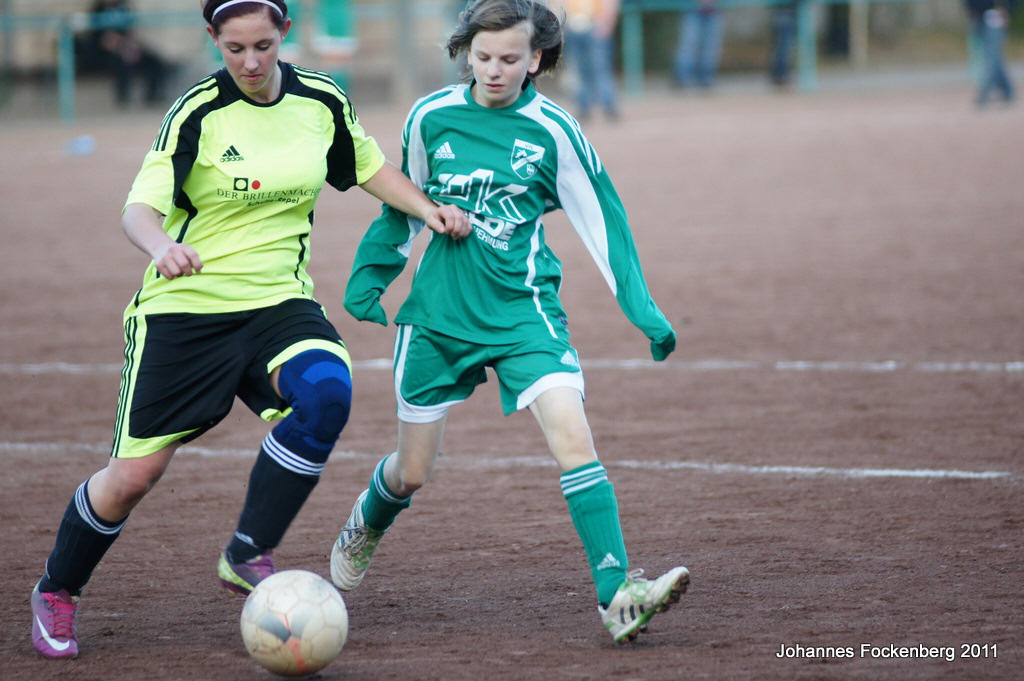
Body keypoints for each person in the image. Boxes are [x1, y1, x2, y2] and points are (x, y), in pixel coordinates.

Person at [29, 0, 469, 660]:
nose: (252, 62)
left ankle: (247, 550)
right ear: (213, 39)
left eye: (263, 45)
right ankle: (58, 588)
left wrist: (428, 210)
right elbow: (139, 209)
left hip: (277, 302)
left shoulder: (320, 101)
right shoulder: (197, 112)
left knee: (327, 392)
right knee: (132, 478)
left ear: (284, 32)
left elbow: (368, 167)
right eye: (234, 48)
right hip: (184, 311)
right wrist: (160, 246)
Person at [330, 0, 688, 644]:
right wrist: (372, 277)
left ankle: (617, 594)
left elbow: (604, 218)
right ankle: (371, 518)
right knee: (412, 472)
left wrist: (644, 312)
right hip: (438, 318)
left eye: (510, 59)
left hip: (525, 313)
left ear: (537, 59)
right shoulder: (430, 116)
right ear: (467, 52)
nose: (494, 70)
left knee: (573, 437)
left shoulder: (555, 131)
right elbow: (404, 203)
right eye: (483, 57)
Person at [81, 0, 172, 106]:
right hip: (105, 53)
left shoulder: (123, 7)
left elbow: (132, 31)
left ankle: (152, 96)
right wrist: (122, 47)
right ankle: (123, 99)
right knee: (121, 62)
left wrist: (131, 47)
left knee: (154, 61)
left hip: (126, 48)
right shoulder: (98, 9)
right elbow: (104, 41)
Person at [558, 0, 620, 121]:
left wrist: (606, 23)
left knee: (600, 68)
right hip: (573, 28)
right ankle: (583, 107)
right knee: (579, 70)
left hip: (594, 25)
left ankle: (609, 105)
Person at [964, 0, 1016, 106]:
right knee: (994, 56)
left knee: (991, 55)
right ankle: (1007, 89)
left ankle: (984, 91)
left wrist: (1008, 10)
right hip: (977, 16)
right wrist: (970, 11)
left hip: (994, 15)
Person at [673, 0, 722, 89]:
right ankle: (682, 77)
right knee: (689, 43)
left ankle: (705, 78)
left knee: (710, 46)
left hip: (713, 10)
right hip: (691, 8)